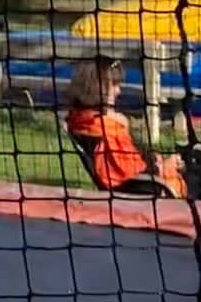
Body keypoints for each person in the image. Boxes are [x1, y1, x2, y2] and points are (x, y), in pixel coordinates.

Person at [65, 56, 187, 199]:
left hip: (137, 188)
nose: (118, 91)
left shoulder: (80, 120)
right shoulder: (107, 129)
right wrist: (166, 166)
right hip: (143, 192)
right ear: (98, 88)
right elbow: (131, 175)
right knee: (197, 176)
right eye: (114, 85)